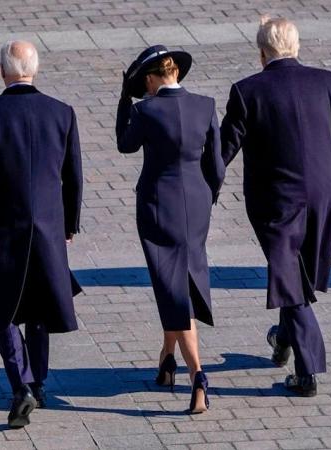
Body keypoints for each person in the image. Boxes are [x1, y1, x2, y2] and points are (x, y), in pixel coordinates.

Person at [220, 16, 331, 397]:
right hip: (324, 197)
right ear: (296, 47)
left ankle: (307, 370)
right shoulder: (329, 82)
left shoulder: (248, 91)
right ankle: (283, 339)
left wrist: (200, 190)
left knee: (292, 284)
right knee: (293, 275)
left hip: (276, 204)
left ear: (262, 54)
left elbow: (222, 151)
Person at [0, 40, 83, 428]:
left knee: (6, 310)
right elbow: (73, 177)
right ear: (35, 69)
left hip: (2, 230)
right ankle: (39, 381)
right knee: (40, 305)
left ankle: (21, 385)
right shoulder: (61, 113)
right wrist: (69, 225)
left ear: (2, 72)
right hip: (47, 226)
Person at [116, 45, 225, 414]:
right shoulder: (206, 105)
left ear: (150, 79)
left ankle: (198, 375)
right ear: (176, 72)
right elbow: (218, 165)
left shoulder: (145, 110)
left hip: (158, 206)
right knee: (177, 280)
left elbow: (124, 144)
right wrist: (208, 196)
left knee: (172, 286)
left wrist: (122, 100)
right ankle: (166, 359)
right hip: (196, 204)